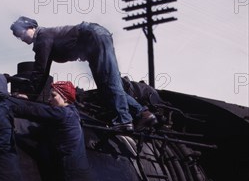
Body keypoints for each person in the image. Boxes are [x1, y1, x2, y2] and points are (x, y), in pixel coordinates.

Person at [10, 16, 157, 132]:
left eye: (20, 33)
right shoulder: (45, 37)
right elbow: (42, 71)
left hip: (94, 37)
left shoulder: (42, 37)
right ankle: (143, 113)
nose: (20, 38)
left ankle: (124, 120)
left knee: (110, 83)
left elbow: (41, 71)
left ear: (31, 27)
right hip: (95, 40)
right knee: (107, 85)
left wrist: (29, 95)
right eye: (17, 36)